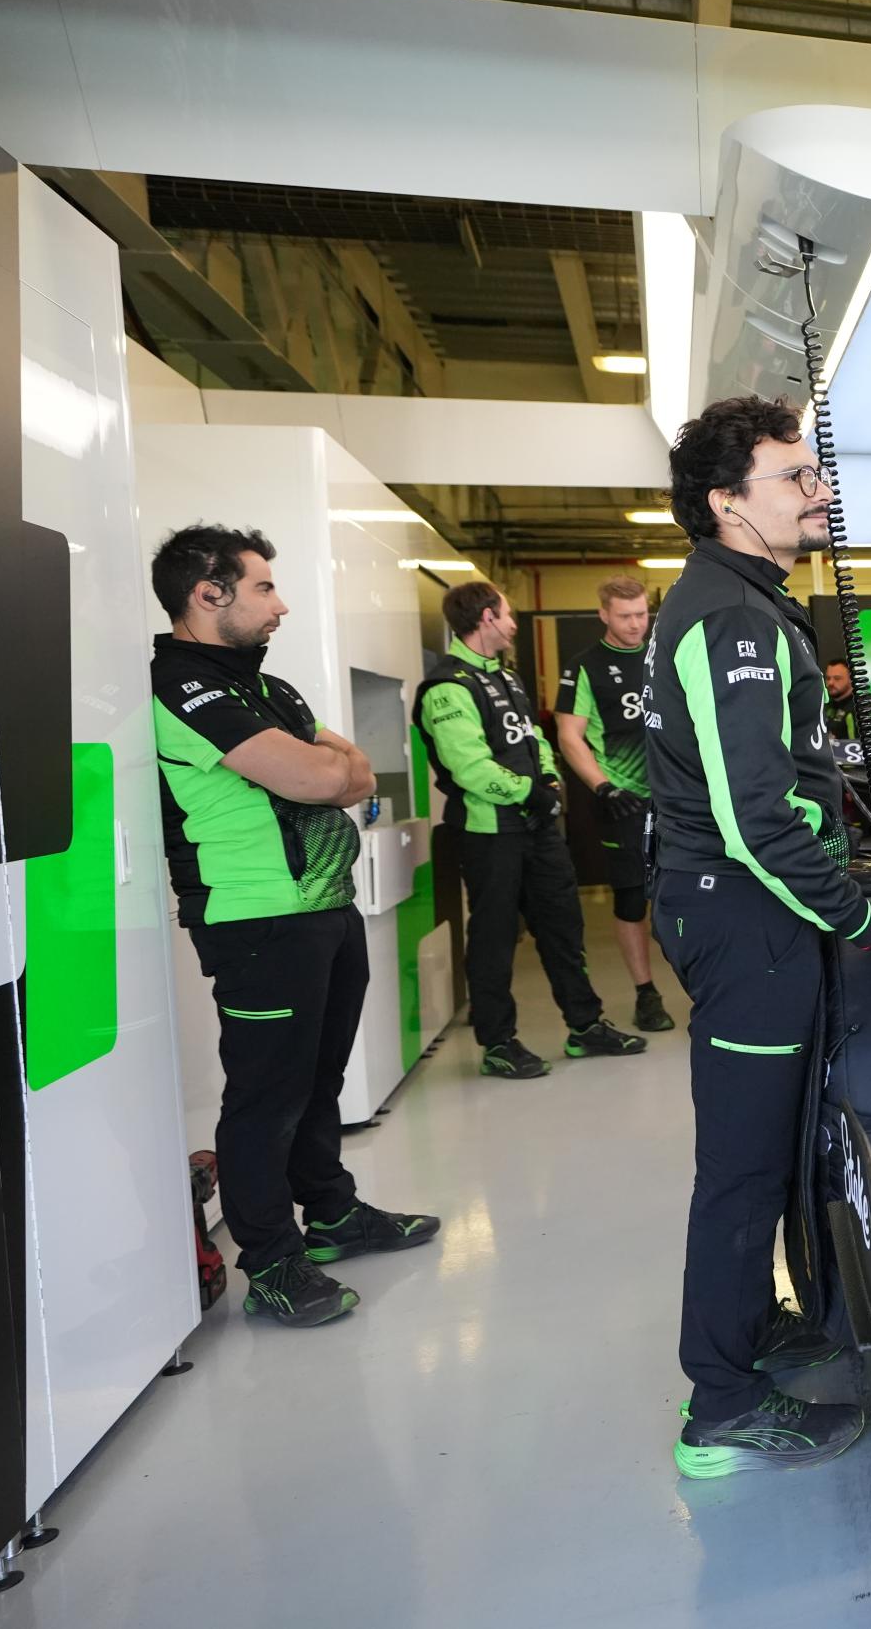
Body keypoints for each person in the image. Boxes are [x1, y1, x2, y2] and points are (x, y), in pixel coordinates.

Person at [646, 394, 871, 1478]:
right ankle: (720, 1402)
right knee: (742, 1164)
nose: (818, 489)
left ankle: (756, 1327)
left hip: (764, 910)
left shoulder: (755, 603)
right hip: (744, 916)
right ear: (727, 502)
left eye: (813, 472)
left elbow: (792, 780)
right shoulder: (729, 619)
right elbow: (755, 816)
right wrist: (860, 912)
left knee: (782, 1146)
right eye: (794, 475)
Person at [149, 525, 437, 1328]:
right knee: (266, 1097)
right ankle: (273, 1262)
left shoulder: (267, 689)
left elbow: (355, 773)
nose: (281, 606)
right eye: (264, 588)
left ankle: (333, 1214)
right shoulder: (180, 686)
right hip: (257, 921)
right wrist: (327, 771)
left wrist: (332, 771)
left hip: (324, 910)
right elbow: (317, 775)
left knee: (317, 1082)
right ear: (208, 593)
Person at [416, 581, 646, 1080]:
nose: (513, 624)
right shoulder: (446, 687)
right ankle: (498, 1043)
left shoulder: (507, 677)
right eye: (507, 615)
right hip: (488, 832)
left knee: (564, 929)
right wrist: (528, 792)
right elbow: (468, 766)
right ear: (485, 619)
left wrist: (548, 778)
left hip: (539, 829)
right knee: (494, 938)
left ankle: (585, 1026)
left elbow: (535, 736)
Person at [554, 574, 673, 1034]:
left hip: (676, 797)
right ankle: (646, 993)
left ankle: (704, 986)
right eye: (625, 616)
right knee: (631, 898)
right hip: (623, 799)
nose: (635, 624)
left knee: (692, 890)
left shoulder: (665, 654)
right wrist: (603, 787)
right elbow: (570, 736)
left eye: (642, 614)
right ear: (603, 614)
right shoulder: (585, 666)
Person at [821, 659, 865, 740]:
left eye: (837, 678)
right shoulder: (822, 705)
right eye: (828, 678)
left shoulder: (862, 706)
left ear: (851, 679)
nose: (830, 683)